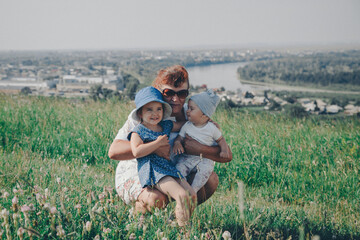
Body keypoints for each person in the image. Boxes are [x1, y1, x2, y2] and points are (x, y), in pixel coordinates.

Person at [108, 65, 232, 214]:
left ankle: (177, 217)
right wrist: (153, 146)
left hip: (173, 171)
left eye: (182, 94)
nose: (175, 99)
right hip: (141, 171)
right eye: (168, 93)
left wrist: (199, 149)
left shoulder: (193, 113)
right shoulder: (146, 113)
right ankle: (140, 212)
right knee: (156, 198)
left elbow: (226, 156)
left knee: (210, 180)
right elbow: (114, 152)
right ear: (159, 91)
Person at [128, 86, 196, 226]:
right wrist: (157, 144)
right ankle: (184, 232)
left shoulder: (165, 125)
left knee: (191, 194)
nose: (155, 113)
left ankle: (179, 220)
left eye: (158, 109)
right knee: (181, 195)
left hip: (168, 168)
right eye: (149, 109)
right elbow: (136, 151)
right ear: (140, 113)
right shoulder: (138, 131)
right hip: (154, 170)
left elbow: (184, 125)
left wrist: (202, 123)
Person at [173, 89, 231, 193]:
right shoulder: (187, 125)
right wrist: (177, 143)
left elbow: (221, 140)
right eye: (188, 108)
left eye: (191, 109)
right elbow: (180, 138)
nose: (187, 111)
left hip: (204, 159)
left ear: (204, 115)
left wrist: (224, 150)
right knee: (178, 169)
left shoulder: (211, 128)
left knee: (205, 171)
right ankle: (183, 186)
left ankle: (194, 190)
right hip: (187, 158)